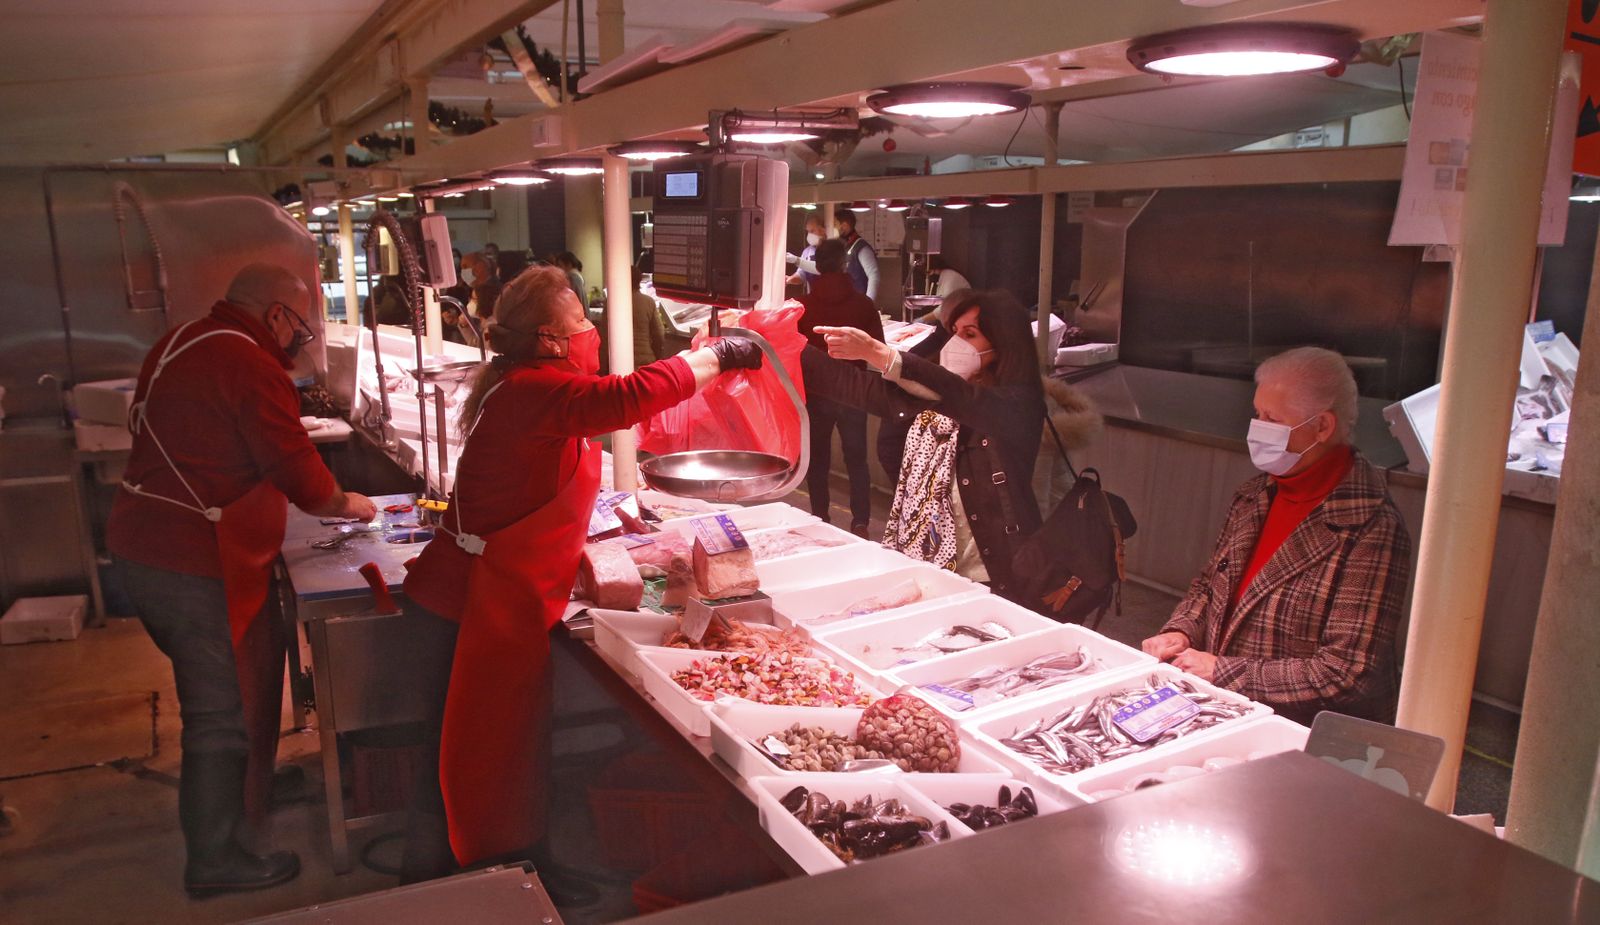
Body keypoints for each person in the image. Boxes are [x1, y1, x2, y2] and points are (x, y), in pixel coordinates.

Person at [398, 266, 762, 883]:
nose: (591, 330)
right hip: (470, 609)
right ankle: (461, 889)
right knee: (470, 762)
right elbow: (626, 398)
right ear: (549, 339)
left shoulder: (534, 388)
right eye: (581, 323)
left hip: (506, 601)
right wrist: (717, 356)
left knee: (504, 755)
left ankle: (512, 869)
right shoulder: (532, 391)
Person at [106, 264, 378, 897]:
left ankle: (245, 785)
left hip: (144, 545)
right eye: (300, 326)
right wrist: (355, 505)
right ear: (276, 315)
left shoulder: (183, 338)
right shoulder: (250, 364)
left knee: (234, 691)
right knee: (217, 712)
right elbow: (306, 482)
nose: (300, 339)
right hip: (187, 558)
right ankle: (214, 860)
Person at [1141, 347, 1411, 725]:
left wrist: (1222, 671)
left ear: (1323, 427)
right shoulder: (1255, 495)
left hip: (1304, 730)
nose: (1258, 427)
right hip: (1226, 709)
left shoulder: (1371, 526)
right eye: (1257, 414)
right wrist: (1181, 630)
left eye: (1272, 418)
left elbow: (1346, 671)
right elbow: (1209, 585)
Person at [803, 290, 1045, 602]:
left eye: (970, 334)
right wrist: (783, 346)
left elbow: (961, 397)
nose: (957, 343)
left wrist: (878, 353)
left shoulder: (1017, 404)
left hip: (992, 574)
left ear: (1004, 344)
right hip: (928, 560)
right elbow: (859, 387)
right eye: (954, 332)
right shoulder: (935, 393)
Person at [797, 238, 884, 535]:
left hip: (815, 393)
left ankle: (820, 517)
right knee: (857, 460)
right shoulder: (863, 305)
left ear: (817, 267)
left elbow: (793, 351)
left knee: (817, 459)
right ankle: (860, 521)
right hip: (854, 392)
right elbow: (878, 350)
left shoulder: (802, 307)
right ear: (845, 265)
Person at [833, 209, 880, 301]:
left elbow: (874, 275)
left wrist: (868, 303)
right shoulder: (843, 246)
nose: (832, 228)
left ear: (844, 226)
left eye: (835, 224)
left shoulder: (861, 247)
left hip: (859, 302)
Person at [630, 257, 667, 369]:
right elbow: (659, 334)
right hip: (645, 362)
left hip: (619, 362)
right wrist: (657, 357)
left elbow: (604, 337)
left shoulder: (613, 304)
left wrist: (603, 368)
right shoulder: (648, 302)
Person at [784, 214, 827, 292]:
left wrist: (797, 260)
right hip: (813, 295)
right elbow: (802, 275)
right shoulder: (808, 251)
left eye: (812, 231)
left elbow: (822, 268)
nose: (809, 234)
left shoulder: (833, 249)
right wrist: (789, 279)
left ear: (823, 230)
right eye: (808, 231)